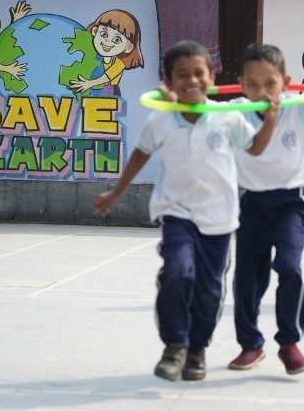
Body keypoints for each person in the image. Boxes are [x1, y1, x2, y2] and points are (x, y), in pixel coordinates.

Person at [93, 40, 279, 382]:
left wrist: (269, 122)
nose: (192, 80)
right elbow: (140, 153)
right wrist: (116, 192)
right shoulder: (161, 119)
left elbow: (254, 149)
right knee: (178, 273)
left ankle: (197, 349)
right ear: (168, 81)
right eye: (182, 75)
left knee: (209, 291)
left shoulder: (228, 118)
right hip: (176, 212)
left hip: (219, 218)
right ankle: (175, 345)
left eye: (198, 73)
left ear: (212, 78)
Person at [229, 43, 304, 376]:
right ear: (241, 85)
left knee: (290, 268)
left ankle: (289, 342)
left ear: (285, 81)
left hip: (291, 204)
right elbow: (202, 110)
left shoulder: (300, 107)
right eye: (253, 84)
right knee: (247, 278)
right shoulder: (236, 111)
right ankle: (251, 344)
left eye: (270, 83)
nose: (262, 91)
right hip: (252, 203)